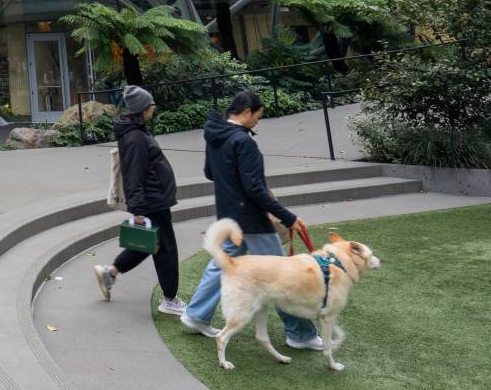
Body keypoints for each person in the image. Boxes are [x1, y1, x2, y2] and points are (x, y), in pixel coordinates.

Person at [179, 90, 323, 351]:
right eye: (258, 116)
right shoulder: (243, 142)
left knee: (221, 265)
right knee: (282, 275)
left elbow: (210, 172)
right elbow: (255, 188)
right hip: (251, 220)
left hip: (229, 216)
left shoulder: (216, 135)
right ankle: (300, 335)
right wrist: (288, 217)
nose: (258, 121)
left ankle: (196, 315)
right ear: (246, 112)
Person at [93, 86, 186, 315]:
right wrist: (138, 210)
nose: (154, 108)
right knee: (166, 249)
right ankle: (170, 299)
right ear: (143, 109)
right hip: (152, 201)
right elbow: (133, 175)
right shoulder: (135, 136)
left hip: (153, 198)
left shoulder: (136, 130)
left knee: (149, 244)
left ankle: (111, 272)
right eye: (151, 105)